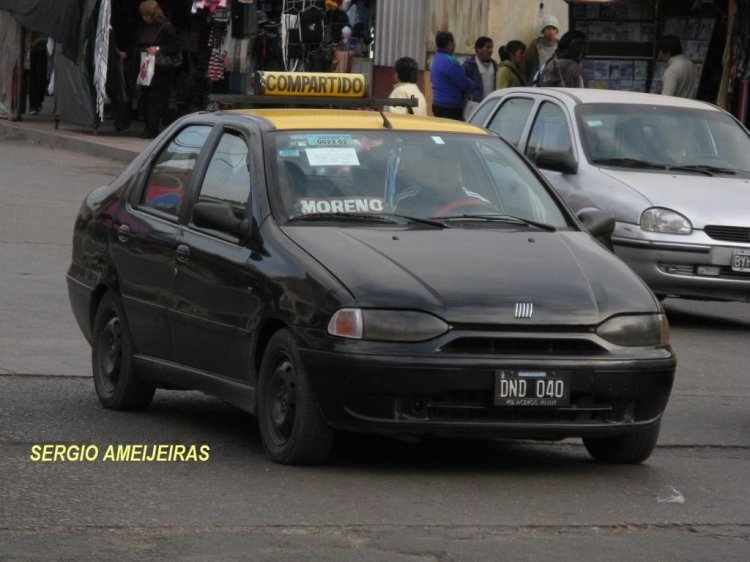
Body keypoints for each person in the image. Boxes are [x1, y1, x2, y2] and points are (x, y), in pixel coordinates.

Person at [394, 146, 495, 217]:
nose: (445, 171)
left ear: (459, 170)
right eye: (439, 165)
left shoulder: (479, 204)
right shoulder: (407, 200)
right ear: (427, 169)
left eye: (451, 164)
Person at [135, 0, 181, 138]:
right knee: (145, 98)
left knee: (154, 100)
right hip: (146, 66)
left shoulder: (166, 27)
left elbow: (176, 46)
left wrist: (158, 49)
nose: (144, 18)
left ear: (152, 15)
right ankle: (148, 128)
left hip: (159, 69)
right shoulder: (144, 27)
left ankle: (152, 130)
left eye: (146, 15)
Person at [430, 31, 475, 121]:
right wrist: (473, 84)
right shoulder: (450, 61)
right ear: (450, 44)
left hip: (437, 103)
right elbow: (463, 83)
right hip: (450, 106)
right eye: (454, 43)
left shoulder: (436, 58)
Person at [522, 15, 559, 85]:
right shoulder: (535, 46)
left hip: (554, 83)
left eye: (553, 29)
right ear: (543, 31)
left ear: (556, 31)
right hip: (537, 83)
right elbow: (526, 66)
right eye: (548, 29)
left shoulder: (559, 46)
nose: (551, 32)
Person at [657, 34, 696, 98]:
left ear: (667, 53)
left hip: (675, 107)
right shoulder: (690, 64)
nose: (659, 56)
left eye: (660, 52)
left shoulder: (671, 71)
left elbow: (665, 99)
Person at [461, 36, 497, 103]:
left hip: (491, 103)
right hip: (476, 104)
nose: (491, 50)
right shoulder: (469, 65)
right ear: (478, 49)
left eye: (492, 47)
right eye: (488, 47)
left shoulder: (494, 64)